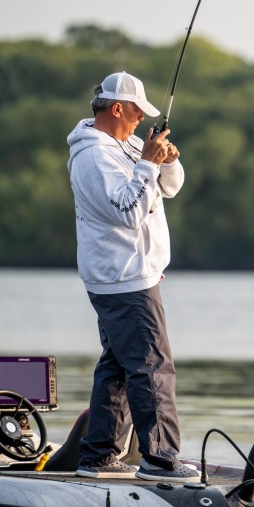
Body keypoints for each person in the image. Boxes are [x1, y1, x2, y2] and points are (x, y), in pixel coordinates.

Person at [66, 71, 200, 482]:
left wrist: (166, 162)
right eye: (138, 111)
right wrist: (147, 162)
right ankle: (161, 460)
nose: (142, 118)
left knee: (119, 367)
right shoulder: (93, 156)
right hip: (124, 280)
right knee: (152, 367)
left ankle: (98, 456)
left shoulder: (125, 145)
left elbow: (168, 189)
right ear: (117, 108)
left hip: (133, 276)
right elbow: (127, 212)